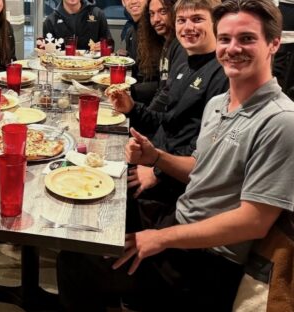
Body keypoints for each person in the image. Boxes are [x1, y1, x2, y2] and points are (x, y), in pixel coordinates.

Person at [57, 0, 294, 311]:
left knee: (77, 263)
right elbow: (199, 170)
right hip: (178, 222)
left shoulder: (281, 121)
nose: (232, 48)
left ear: (273, 43)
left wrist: (162, 238)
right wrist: (156, 157)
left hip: (209, 260)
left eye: (247, 38)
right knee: (86, 230)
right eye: (225, 39)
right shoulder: (219, 104)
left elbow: (254, 222)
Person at [110, 0, 227, 231]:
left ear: (215, 23)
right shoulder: (184, 61)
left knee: (106, 202)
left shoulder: (222, 74)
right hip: (157, 157)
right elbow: (167, 120)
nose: (187, 27)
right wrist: (132, 108)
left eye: (197, 19)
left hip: (174, 184)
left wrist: (156, 169)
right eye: (182, 20)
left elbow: (203, 153)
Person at [137, 0, 187, 110]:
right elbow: (161, 88)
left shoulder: (181, 45)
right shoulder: (165, 43)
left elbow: (169, 93)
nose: (156, 19)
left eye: (163, 12)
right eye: (152, 14)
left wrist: (145, 119)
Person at [42, 0, 112, 51]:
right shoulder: (50, 21)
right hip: (61, 68)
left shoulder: (97, 14)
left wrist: (104, 46)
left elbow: (110, 45)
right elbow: (48, 54)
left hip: (94, 66)